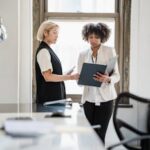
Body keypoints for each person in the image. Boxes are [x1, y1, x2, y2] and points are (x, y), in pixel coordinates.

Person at [77, 22, 120, 144]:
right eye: (90, 37)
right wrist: (80, 78)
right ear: (86, 37)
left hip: (106, 99)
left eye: (96, 37)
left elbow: (117, 75)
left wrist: (108, 79)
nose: (93, 40)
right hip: (88, 100)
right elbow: (79, 81)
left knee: (100, 136)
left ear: (102, 37)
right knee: (89, 137)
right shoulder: (82, 54)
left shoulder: (109, 51)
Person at [35, 20, 79, 111]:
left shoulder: (48, 50)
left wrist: (66, 74)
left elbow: (52, 74)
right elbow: (48, 77)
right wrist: (70, 77)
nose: (57, 36)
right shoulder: (44, 51)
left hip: (54, 100)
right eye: (54, 33)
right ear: (45, 33)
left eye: (57, 33)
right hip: (49, 100)